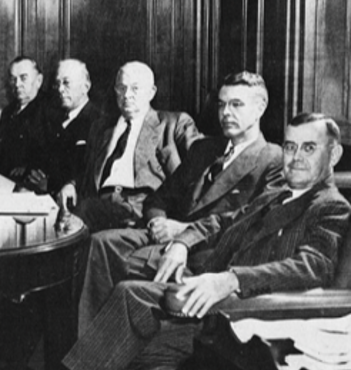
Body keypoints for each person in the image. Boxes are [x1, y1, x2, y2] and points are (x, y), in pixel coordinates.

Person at [24, 113, 350, 370]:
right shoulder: (274, 195)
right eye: (291, 147)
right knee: (123, 307)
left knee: (123, 318)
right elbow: (221, 223)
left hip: (237, 320)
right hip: (202, 297)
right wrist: (181, 242)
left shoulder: (330, 207)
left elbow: (313, 266)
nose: (295, 158)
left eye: (309, 148)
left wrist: (232, 279)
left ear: (333, 155)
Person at [76, 71, 283, 334]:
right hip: (168, 239)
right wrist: (157, 220)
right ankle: (92, 353)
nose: (226, 113)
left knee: (113, 267)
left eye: (236, 104)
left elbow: (246, 219)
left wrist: (184, 236)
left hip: (207, 252)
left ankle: (95, 359)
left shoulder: (273, 159)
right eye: (221, 104)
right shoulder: (204, 149)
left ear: (260, 107)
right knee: (99, 243)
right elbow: (159, 197)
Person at [59, 61, 200, 232]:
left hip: (141, 208)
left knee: (80, 218)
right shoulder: (101, 127)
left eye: (135, 88)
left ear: (151, 92)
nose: (127, 95)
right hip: (102, 202)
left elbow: (203, 155)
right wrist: (71, 185)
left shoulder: (173, 124)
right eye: (121, 88)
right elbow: (87, 169)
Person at [0, 56, 58, 192]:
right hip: (3, 180)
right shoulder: (8, 111)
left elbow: (52, 154)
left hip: (29, 185)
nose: (17, 84)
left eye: (23, 78)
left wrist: (27, 168)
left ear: (38, 80)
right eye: (13, 79)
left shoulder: (50, 110)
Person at [46, 59, 101, 195]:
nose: (60, 90)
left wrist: (48, 184)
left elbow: (88, 173)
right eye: (57, 83)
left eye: (66, 83)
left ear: (85, 87)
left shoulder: (97, 122)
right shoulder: (56, 118)